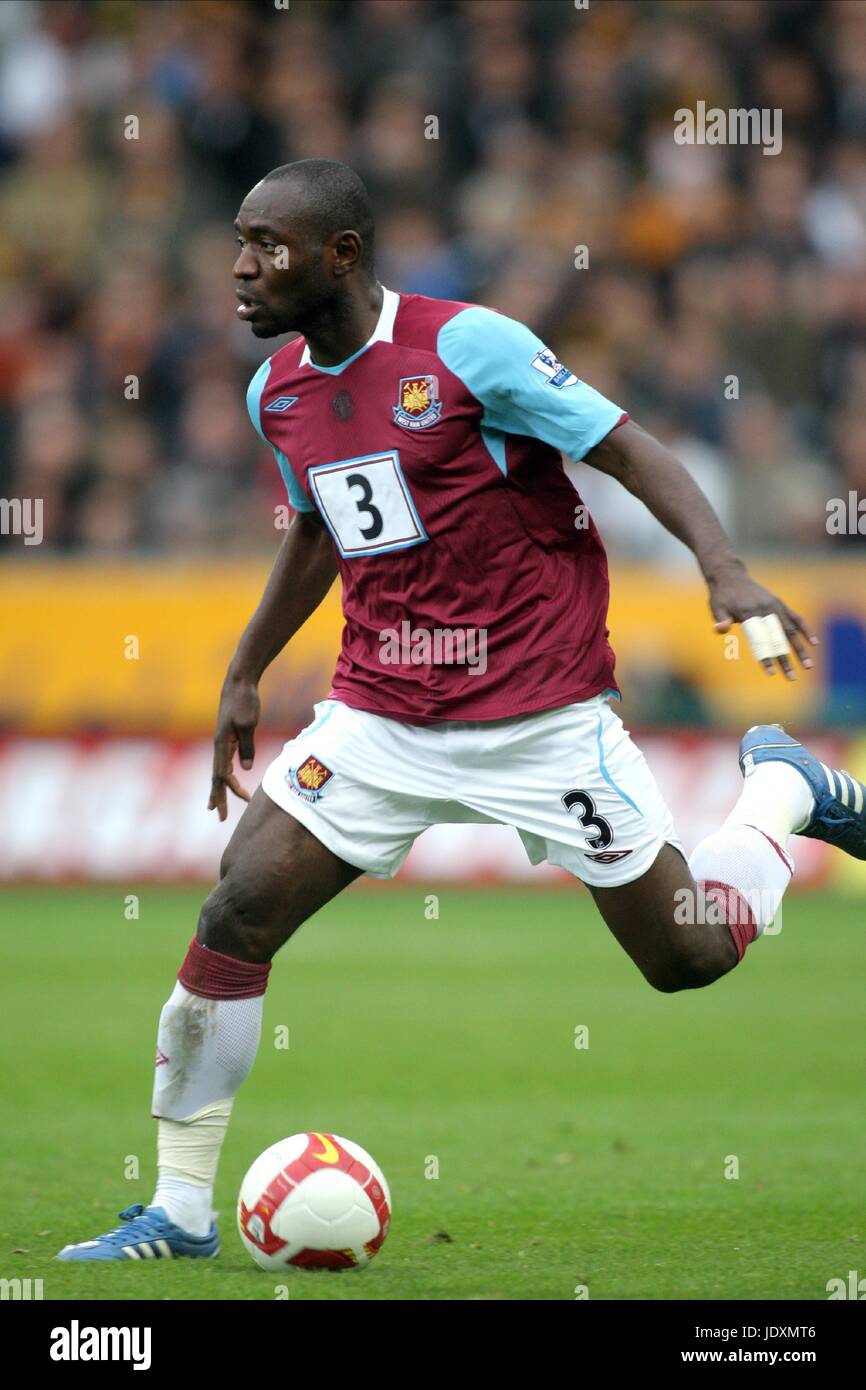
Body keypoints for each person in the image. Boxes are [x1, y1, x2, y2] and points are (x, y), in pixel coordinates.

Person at [57, 160, 866, 1263]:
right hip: (380, 712)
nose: (241, 270)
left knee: (687, 957)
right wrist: (245, 671)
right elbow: (316, 527)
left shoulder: (467, 348)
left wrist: (720, 566)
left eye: (266, 246)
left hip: (540, 714)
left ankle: (782, 790)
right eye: (238, 245)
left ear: (340, 255)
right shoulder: (276, 391)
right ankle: (182, 1211)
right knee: (233, 917)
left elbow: (625, 445)